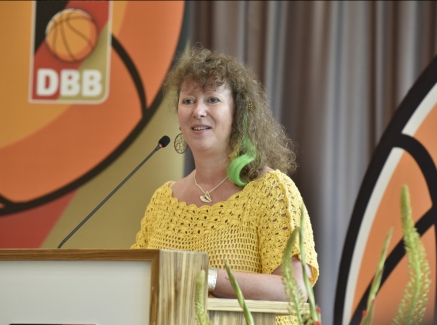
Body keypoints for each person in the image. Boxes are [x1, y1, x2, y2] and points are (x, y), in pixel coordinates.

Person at [132, 47, 318, 325]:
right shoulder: (163, 200)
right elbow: (135, 282)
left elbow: (294, 290)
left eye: (212, 99)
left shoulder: (271, 190)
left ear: (238, 113)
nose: (198, 111)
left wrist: (205, 277)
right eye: (188, 100)